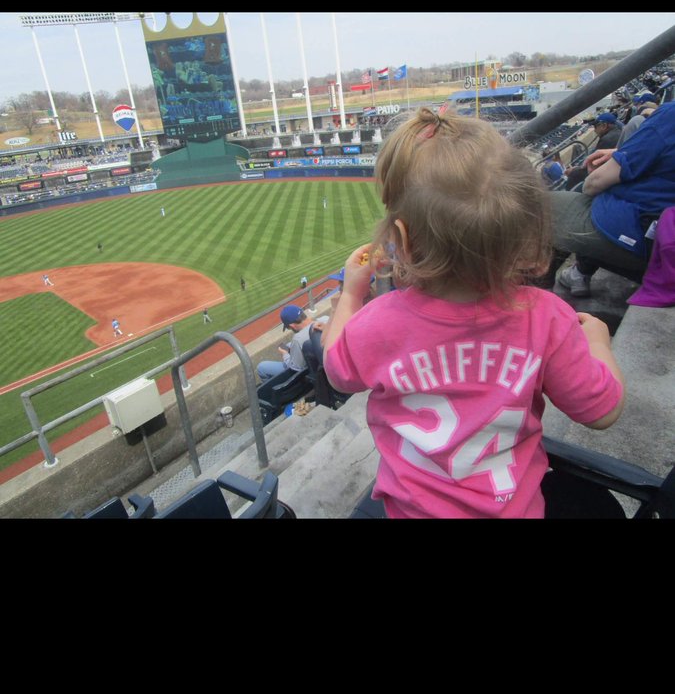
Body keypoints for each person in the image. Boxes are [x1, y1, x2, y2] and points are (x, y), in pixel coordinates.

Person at [321, 107, 624, 520]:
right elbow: (602, 412)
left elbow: (338, 369)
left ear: (403, 243)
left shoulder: (379, 323)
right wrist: (599, 342)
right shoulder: (547, 317)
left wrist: (353, 293)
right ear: (527, 230)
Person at [544, 101, 675, 296]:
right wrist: (620, 154)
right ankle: (578, 273)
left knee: (542, 207)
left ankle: (534, 307)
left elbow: (593, 184)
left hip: (652, 241)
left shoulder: (670, 115)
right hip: (659, 238)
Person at [563, 113, 622, 190]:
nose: (594, 130)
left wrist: (574, 170)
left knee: (574, 174)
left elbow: (594, 166)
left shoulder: (607, 139)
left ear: (604, 126)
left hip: (606, 177)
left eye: (595, 126)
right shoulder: (618, 132)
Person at [256, 305, 313, 381]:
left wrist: (285, 354)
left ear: (292, 326)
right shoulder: (325, 320)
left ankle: (277, 391)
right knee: (289, 345)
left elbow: (294, 369)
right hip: (321, 365)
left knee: (261, 367)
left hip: (307, 375)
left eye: (289, 328)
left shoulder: (298, 339)